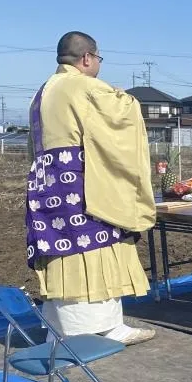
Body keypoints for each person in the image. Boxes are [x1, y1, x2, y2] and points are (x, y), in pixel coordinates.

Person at [25, 31, 157, 344]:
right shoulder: (84, 86)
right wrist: (125, 99)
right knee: (94, 248)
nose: (98, 64)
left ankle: (68, 328)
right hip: (82, 182)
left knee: (61, 252)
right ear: (87, 58)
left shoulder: (42, 92)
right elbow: (122, 118)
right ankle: (93, 331)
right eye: (98, 58)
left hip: (47, 183)